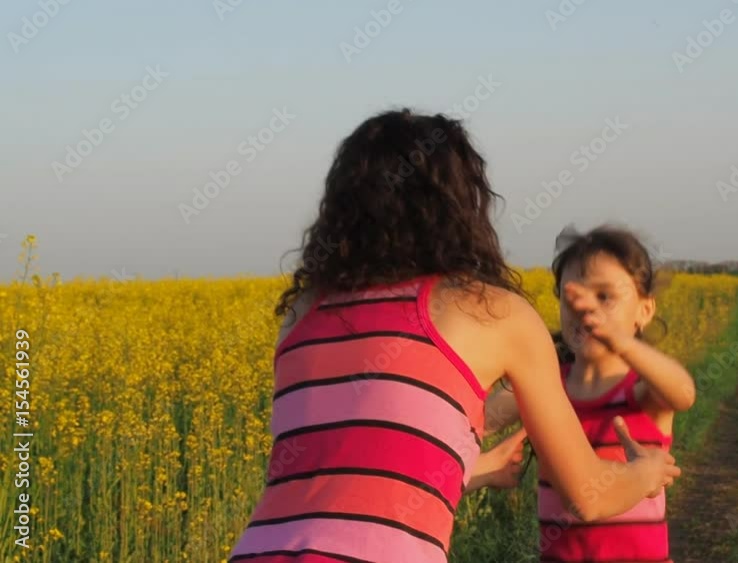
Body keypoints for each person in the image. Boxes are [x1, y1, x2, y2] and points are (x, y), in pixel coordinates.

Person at [228, 109, 681, 563]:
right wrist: (646, 473)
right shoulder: (492, 313)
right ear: (460, 205)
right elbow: (588, 495)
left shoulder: (302, 314)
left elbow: (368, 461)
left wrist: (479, 464)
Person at [486, 224, 697, 563]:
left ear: (644, 311)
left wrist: (622, 342)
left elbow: (683, 394)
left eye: (604, 297)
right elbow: (479, 420)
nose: (587, 310)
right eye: (573, 298)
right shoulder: (545, 386)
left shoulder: (641, 391)